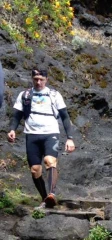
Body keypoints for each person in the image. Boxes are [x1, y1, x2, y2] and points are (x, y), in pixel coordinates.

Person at [7, 69, 75, 209]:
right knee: (35, 169)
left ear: (46, 79)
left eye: (41, 79)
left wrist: (70, 138)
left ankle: (52, 193)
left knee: (49, 161)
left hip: (51, 133)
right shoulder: (25, 95)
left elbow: (65, 116)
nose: (38, 82)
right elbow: (17, 115)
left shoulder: (54, 95)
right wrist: (12, 129)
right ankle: (45, 199)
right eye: (36, 79)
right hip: (31, 135)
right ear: (32, 79)